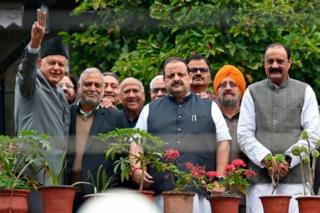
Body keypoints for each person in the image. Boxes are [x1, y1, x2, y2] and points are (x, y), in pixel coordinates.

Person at [132, 57, 231, 213]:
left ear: (189, 77)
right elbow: (136, 141)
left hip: (200, 194)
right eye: (171, 76)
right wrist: (136, 169)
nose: (176, 78)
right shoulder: (149, 109)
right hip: (160, 195)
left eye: (180, 74)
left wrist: (220, 179)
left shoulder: (210, 107)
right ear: (164, 80)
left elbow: (223, 142)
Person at [237, 43, 320, 213]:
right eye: (270, 61)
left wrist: (287, 161)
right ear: (264, 64)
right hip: (260, 182)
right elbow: (244, 134)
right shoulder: (251, 92)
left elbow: (313, 134)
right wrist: (267, 160)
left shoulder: (305, 91)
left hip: (296, 181)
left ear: (290, 63)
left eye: (280, 61)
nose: (275, 65)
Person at [14, 9, 70, 213]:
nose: (56, 68)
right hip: (31, 171)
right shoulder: (31, 84)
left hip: (56, 174)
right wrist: (35, 43)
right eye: (51, 63)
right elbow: (25, 69)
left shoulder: (62, 95)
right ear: (40, 63)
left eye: (61, 64)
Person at [66, 67, 128, 210]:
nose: (92, 88)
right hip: (67, 190)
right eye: (88, 84)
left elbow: (123, 158)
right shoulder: (66, 113)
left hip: (101, 195)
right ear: (80, 87)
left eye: (97, 85)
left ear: (102, 89)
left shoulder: (116, 117)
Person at [213, 64, 247, 213]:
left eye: (233, 84)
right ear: (216, 91)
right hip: (213, 196)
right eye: (223, 84)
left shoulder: (251, 120)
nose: (228, 88)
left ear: (241, 90)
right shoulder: (208, 118)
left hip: (246, 197)